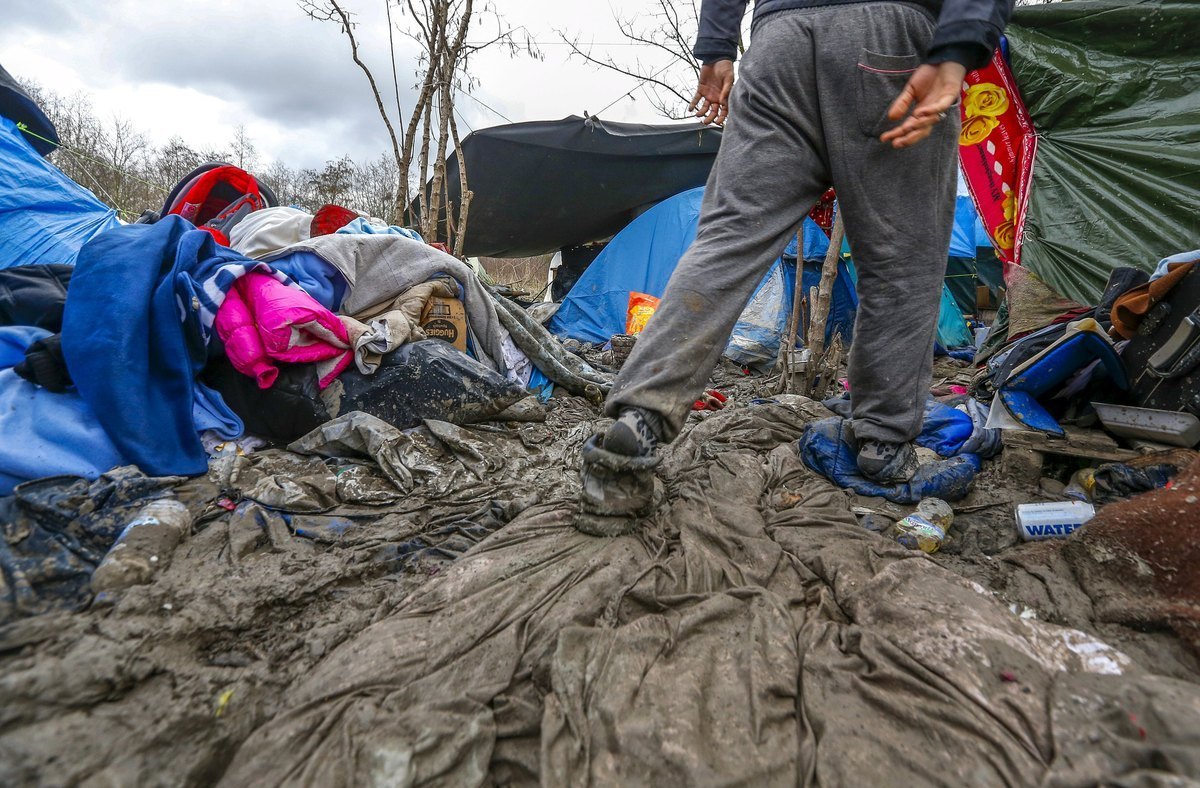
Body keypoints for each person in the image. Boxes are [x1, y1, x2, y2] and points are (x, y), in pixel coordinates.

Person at [580, 0, 1013, 518]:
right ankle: (883, 447)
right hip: (890, 40)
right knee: (902, 261)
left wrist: (718, 46)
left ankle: (638, 420)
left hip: (778, 44)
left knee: (727, 239)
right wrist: (960, 44)